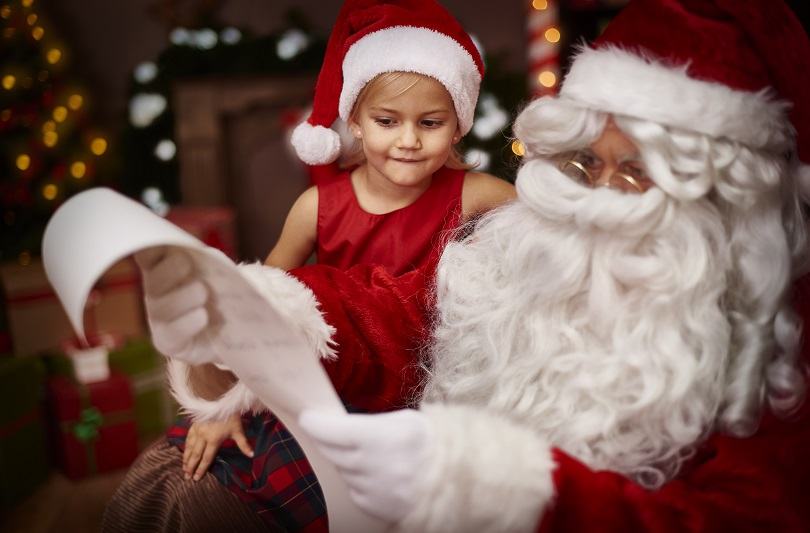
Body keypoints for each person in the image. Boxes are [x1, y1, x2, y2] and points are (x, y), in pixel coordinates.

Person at [123, 0, 810, 531]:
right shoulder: (533, 241)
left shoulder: (766, 359)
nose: (600, 195)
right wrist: (272, 307)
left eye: (638, 172)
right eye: (584, 162)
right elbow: (402, 311)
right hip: (411, 459)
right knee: (174, 474)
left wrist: (518, 489)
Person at [104, 0, 513, 531]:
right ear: (356, 124)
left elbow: (555, 232)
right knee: (217, 474)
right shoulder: (317, 208)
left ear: (458, 125)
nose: (409, 140)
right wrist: (227, 405)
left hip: (421, 391)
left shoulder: (477, 194)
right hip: (325, 385)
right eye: (387, 121)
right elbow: (257, 309)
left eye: (430, 123)